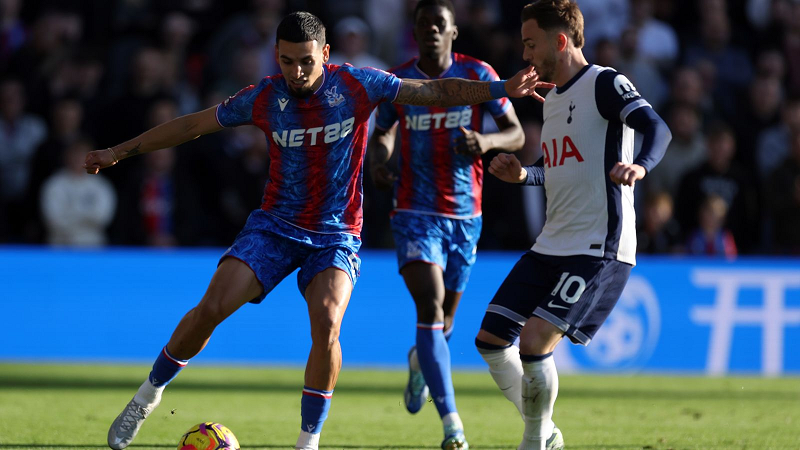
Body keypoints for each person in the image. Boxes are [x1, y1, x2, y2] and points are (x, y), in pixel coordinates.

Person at [86, 11, 551, 450]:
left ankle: (308, 442)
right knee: (211, 307)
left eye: (306, 61)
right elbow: (192, 125)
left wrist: (500, 89)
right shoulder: (265, 97)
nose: (296, 71)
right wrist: (118, 152)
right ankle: (147, 397)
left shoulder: (357, 84)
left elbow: (434, 92)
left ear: (325, 53)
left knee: (327, 322)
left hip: (336, 236)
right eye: (286, 61)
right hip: (273, 227)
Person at [471, 2, 671, 449]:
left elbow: (657, 127)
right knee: (489, 339)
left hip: (598, 244)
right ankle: (545, 432)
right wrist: (524, 174)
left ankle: (534, 441)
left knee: (535, 339)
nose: (525, 53)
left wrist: (639, 167)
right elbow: (558, 166)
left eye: (530, 43)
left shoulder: (605, 82)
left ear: (560, 41)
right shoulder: (554, 98)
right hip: (552, 244)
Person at [367, 1, 525, 448]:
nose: (432, 31)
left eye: (441, 25)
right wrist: (380, 163)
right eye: (424, 24)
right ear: (414, 32)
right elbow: (382, 132)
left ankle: (421, 361)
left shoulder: (478, 76)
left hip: (465, 217)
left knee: (446, 323)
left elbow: (516, 134)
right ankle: (452, 424)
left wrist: (486, 141)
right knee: (430, 309)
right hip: (414, 212)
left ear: (454, 32)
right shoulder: (399, 83)